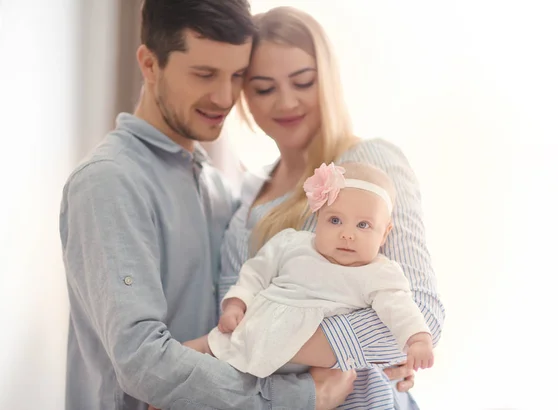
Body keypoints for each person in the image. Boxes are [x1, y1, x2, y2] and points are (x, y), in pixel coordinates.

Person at [59, 1, 356, 409]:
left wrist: (373, 353)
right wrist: (303, 398)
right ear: (149, 64)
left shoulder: (219, 189)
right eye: (204, 74)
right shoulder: (109, 182)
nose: (225, 97)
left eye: (237, 76)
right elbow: (142, 361)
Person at [213, 6, 446, 410]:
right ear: (245, 97)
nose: (286, 102)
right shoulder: (245, 211)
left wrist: (271, 344)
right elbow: (231, 327)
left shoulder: (371, 165)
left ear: (329, 79)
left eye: (303, 82)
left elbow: (420, 311)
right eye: (264, 88)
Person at [205, 162, 434, 380]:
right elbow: (255, 273)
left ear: (385, 233)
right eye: (335, 220)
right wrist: (236, 303)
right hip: (246, 334)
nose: (347, 234)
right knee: (196, 353)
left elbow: (399, 307)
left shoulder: (378, 274)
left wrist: (417, 340)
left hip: (310, 365)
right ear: (317, 219)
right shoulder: (292, 243)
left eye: (363, 225)